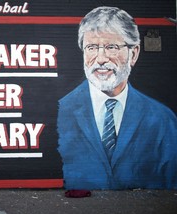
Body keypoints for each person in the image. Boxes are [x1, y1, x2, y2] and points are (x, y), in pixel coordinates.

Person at [57, 6, 177, 190]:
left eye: (111, 47)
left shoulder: (161, 119)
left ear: (133, 54)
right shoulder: (61, 111)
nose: (101, 58)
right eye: (92, 47)